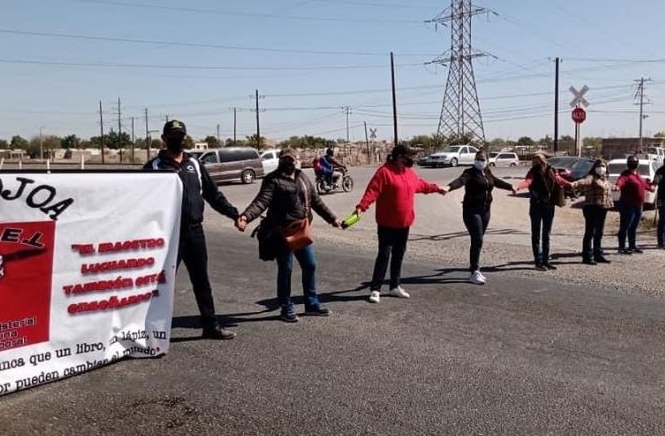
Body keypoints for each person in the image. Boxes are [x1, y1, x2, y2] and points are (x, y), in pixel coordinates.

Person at [143, 119, 239, 340]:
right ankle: (150, 329)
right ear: (164, 139)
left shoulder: (194, 165)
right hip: (167, 235)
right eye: (172, 136)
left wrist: (235, 214)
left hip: (194, 233)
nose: (177, 140)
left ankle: (210, 325)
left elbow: (213, 195)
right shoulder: (154, 167)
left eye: (180, 135)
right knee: (160, 284)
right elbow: (139, 200)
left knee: (201, 281)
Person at [237, 149, 342, 323]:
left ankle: (311, 304)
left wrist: (332, 219)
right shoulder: (273, 179)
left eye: (291, 160)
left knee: (310, 265)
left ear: (296, 161)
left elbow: (316, 201)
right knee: (286, 269)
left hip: (302, 230)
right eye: (285, 160)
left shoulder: (302, 178)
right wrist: (246, 217)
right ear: (280, 161)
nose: (289, 163)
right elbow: (261, 201)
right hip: (282, 232)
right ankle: (286, 307)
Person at [352, 143, 448, 303]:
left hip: (404, 224)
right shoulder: (384, 172)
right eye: (409, 156)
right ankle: (375, 289)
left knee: (398, 255)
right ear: (399, 157)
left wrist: (437, 188)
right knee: (384, 255)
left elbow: (421, 185)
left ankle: (394, 286)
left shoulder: (409, 173)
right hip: (387, 223)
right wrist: (361, 207)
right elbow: (372, 192)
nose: (412, 159)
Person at [447, 150, 516, 284]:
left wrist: (510, 187)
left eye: (482, 159)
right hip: (471, 211)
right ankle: (474, 271)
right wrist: (449, 187)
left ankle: (476, 269)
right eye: (478, 159)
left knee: (478, 240)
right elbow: (460, 181)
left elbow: (495, 181)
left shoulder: (487, 172)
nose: (480, 161)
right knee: (477, 238)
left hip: (485, 211)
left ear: (487, 161)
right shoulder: (469, 172)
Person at [516, 153, 570, 271]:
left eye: (539, 159)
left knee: (547, 234)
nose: (537, 161)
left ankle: (546, 260)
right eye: (535, 160)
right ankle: (538, 261)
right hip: (536, 205)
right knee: (536, 234)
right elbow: (528, 182)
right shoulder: (533, 172)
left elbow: (558, 179)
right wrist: (518, 187)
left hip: (549, 205)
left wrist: (570, 184)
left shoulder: (551, 170)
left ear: (543, 159)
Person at [569, 160, 614, 265]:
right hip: (592, 208)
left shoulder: (604, 179)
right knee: (590, 233)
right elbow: (583, 182)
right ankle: (587, 256)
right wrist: (572, 184)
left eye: (603, 166)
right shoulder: (591, 177)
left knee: (599, 232)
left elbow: (610, 187)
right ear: (594, 167)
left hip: (603, 208)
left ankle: (598, 254)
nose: (601, 168)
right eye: (598, 166)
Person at [615, 156, 654, 254]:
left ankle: (632, 246)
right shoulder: (625, 175)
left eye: (635, 162)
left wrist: (650, 187)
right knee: (625, 226)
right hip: (628, 205)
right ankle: (621, 247)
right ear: (628, 163)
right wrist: (617, 186)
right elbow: (620, 182)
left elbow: (643, 184)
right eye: (631, 162)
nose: (633, 163)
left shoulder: (638, 174)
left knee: (633, 227)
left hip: (638, 206)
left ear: (638, 163)